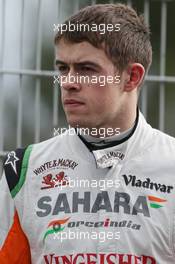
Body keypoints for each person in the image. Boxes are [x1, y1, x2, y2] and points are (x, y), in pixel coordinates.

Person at [0, 3, 175, 264]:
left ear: (132, 77)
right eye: (63, 69)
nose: (68, 82)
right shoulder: (24, 170)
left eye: (86, 69)